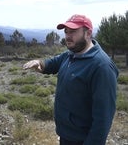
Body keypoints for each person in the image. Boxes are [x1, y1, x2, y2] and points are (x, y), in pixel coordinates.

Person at [23, 14, 119, 145]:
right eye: (66, 31)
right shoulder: (71, 54)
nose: (67, 36)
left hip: (82, 139)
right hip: (66, 135)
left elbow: (103, 119)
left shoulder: (101, 67)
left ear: (88, 33)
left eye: (73, 31)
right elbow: (54, 62)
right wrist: (40, 63)